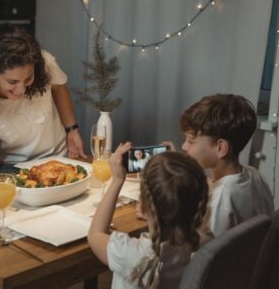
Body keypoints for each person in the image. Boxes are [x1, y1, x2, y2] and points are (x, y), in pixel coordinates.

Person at [0, 26, 86, 180]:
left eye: (28, 79)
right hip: (10, 168)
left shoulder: (44, 61)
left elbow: (58, 87)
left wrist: (72, 130)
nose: (21, 90)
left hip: (57, 157)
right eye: (12, 82)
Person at [88, 143, 210, 289]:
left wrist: (117, 181)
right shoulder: (205, 242)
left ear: (143, 206)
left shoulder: (133, 255)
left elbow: (95, 234)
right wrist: (178, 166)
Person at [178, 93, 274, 236]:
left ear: (221, 148)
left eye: (191, 141)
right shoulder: (255, 174)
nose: (183, 147)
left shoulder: (218, 202)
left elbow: (205, 256)